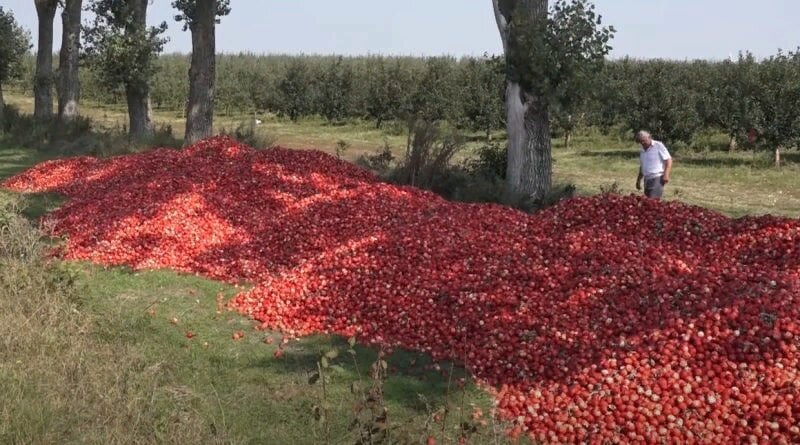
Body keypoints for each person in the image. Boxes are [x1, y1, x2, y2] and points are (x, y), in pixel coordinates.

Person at [634, 131, 673, 200]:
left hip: (657, 178)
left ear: (649, 137)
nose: (642, 143)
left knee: (653, 201)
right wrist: (639, 179)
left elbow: (668, 160)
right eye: (640, 142)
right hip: (646, 179)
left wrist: (666, 174)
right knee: (647, 201)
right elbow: (642, 165)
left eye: (643, 141)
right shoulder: (642, 150)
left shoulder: (658, 145)